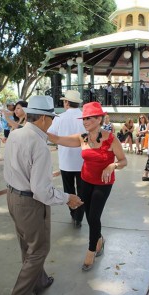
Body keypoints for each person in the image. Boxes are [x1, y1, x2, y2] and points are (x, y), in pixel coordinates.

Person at [4, 95, 83, 295]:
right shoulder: (39, 145)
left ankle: (39, 282)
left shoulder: (16, 134)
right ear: (42, 119)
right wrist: (67, 198)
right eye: (51, 118)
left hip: (13, 197)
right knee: (38, 250)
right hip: (30, 203)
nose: (52, 122)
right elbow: (41, 190)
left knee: (27, 245)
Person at [48, 101, 127, 272]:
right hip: (85, 180)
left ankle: (91, 250)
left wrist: (112, 165)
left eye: (89, 118)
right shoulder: (82, 138)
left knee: (93, 217)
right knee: (88, 215)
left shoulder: (112, 139)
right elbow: (56, 139)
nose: (85, 122)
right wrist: (30, 126)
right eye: (84, 119)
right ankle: (99, 239)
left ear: (99, 119)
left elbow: (123, 161)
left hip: (103, 184)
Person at [48, 90, 85, 228]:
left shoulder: (59, 118)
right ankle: (80, 217)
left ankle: (73, 213)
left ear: (67, 102)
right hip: (83, 161)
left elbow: (51, 135)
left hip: (66, 161)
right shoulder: (84, 117)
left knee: (69, 190)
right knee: (82, 190)